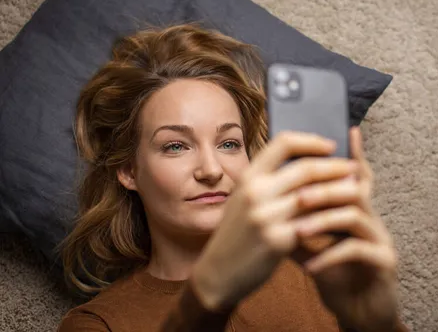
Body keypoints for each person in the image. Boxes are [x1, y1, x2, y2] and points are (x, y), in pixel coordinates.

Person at [58, 24, 409, 332]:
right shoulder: (97, 324)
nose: (211, 171)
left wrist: (379, 325)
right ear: (128, 171)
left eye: (229, 143)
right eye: (176, 146)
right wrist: (205, 300)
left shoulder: (321, 265)